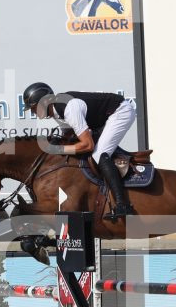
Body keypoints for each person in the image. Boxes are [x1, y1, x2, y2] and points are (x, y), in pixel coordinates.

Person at [22, 82, 138, 221]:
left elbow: (87, 145)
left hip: (120, 111)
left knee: (100, 154)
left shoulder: (69, 108)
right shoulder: (57, 111)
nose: (33, 112)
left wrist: (58, 149)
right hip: (104, 118)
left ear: (45, 102)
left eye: (34, 108)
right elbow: (69, 136)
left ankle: (122, 205)